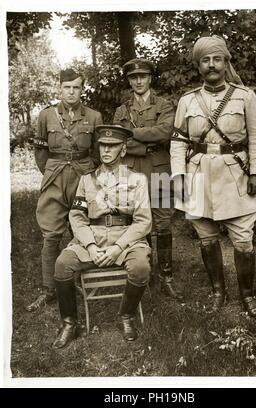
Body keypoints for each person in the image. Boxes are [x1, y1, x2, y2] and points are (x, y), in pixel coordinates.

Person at [170, 35, 256, 319]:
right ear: (198, 65)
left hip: (235, 175)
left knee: (243, 240)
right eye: (205, 60)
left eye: (217, 59)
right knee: (207, 238)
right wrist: (178, 176)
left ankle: (247, 297)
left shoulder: (245, 96)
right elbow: (178, 141)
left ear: (226, 62)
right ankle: (217, 292)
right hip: (198, 174)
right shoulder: (187, 100)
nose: (211, 65)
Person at [52, 125, 152, 348]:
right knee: (62, 265)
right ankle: (70, 323)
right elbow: (77, 217)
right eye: (103, 145)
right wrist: (90, 246)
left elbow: (143, 221)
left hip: (127, 238)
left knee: (140, 268)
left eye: (112, 146)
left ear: (123, 150)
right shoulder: (87, 180)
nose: (106, 150)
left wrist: (117, 248)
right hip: (93, 237)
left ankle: (126, 315)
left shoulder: (137, 180)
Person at [26, 68, 103, 312]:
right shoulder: (46, 116)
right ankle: (49, 290)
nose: (71, 92)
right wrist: (50, 173)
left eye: (76, 87)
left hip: (84, 177)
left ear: (82, 89)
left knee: (86, 230)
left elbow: (100, 152)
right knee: (51, 235)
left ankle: (84, 280)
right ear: (60, 88)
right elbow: (41, 151)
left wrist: (90, 177)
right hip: (55, 177)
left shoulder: (94, 116)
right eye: (67, 87)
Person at [113, 58, 183, 301]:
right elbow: (117, 140)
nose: (138, 80)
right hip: (132, 170)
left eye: (143, 76)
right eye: (134, 77)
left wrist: (133, 135)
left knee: (163, 223)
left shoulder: (164, 105)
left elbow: (165, 132)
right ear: (129, 80)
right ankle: (145, 274)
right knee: (136, 221)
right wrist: (142, 145)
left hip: (160, 168)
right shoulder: (122, 111)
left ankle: (166, 277)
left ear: (150, 78)